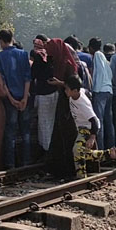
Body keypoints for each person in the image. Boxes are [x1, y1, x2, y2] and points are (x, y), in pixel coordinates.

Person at [64, 76, 116, 178]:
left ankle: (81, 176)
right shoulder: (78, 92)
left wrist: (92, 138)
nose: (65, 91)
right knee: (82, 152)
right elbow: (86, 91)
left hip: (88, 127)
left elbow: (94, 121)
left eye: (67, 89)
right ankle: (109, 154)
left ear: (74, 91)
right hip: (81, 126)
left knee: (76, 150)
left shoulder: (82, 103)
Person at [0, 29, 32, 169]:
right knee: (25, 131)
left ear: (1, 41)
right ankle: (26, 161)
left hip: (10, 98)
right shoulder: (23, 54)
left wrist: (11, 99)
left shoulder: (0, 56)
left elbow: (3, 80)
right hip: (24, 97)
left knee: (10, 132)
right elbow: (27, 77)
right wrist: (24, 98)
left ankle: (10, 163)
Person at [45, 38, 80, 179]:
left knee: (67, 135)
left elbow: (75, 83)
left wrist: (60, 83)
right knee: (59, 135)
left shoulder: (67, 63)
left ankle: (69, 169)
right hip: (62, 100)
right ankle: (57, 169)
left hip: (69, 103)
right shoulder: (58, 62)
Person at [31, 35, 57, 153]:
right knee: (51, 121)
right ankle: (52, 147)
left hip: (43, 93)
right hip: (54, 91)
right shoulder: (51, 55)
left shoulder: (38, 56)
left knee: (43, 123)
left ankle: (46, 149)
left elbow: (33, 74)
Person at [88, 37, 114, 150]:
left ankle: (101, 149)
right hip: (108, 90)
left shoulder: (97, 55)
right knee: (108, 120)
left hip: (100, 91)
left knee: (99, 122)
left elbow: (98, 74)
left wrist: (94, 90)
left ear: (91, 47)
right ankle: (111, 148)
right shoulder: (103, 56)